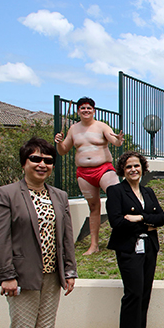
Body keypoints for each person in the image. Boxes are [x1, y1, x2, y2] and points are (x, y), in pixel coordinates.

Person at [0, 138, 77, 328]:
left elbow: (66, 238)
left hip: (53, 277)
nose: (42, 164)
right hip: (22, 277)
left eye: (48, 160)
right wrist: (6, 275)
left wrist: (70, 271)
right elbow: (1, 238)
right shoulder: (7, 194)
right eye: (36, 159)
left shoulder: (60, 196)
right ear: (25, 162)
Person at [106, 152, 164, 328]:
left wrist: (140, 217)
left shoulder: (147, 192)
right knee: (133, 294)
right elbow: (117, 222)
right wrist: (147, 224)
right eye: (129, 166)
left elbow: (161, 218)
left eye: (137, 166)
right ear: (123, 170)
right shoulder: (115, 191)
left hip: (149, 247)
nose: (133, 170)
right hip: (129, 248)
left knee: (144, 294)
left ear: (143, 168)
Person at [54, 96, 123, 254]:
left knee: (117, 198)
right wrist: (58, 142)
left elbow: (116, 142)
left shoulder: (101, 126)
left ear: (94, 111)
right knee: (93, 207)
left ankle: (122, 237)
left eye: (88, 108)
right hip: (84, 173)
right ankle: (94, 245)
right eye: (82, 108)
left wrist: (118, 140)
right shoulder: (73, 129)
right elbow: (63, 151)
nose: (85, 110)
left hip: (104, 169)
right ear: (78, 111)